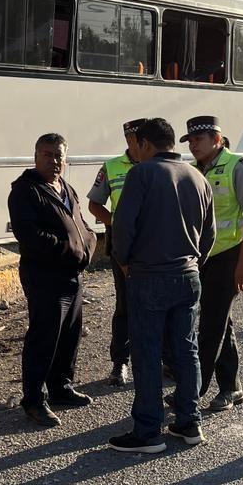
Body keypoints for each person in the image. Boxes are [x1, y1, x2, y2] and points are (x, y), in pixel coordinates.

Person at [108, 118, 215, 453]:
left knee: (148, 353)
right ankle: (189, 422)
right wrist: (194, 263)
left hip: (149, 276)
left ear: (143, 143)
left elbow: (123, 228)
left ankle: (148, 431)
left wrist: (124, 263)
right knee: (187, 351)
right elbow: (210, 235)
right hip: (189, 275)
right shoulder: (198, 176)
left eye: (134, 144)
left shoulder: (141, 174)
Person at [8, 132, 98, 428]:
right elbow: (30, 236)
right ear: (35, 157)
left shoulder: (66, 187)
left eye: (58, 155)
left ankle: (61, 387)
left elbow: (82, 223)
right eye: (47, 155)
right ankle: (34, 400)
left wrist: (89, 243)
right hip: (45, 275)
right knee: (44, 337)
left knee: (70, 333)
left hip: (72, 275)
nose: (54, 161)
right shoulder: (25, 190)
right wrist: (72, 250)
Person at [181, 116, 243, 412]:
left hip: (229, 256)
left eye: (198, 140)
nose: (192, 145)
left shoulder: (238, 167)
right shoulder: (191, 171)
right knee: (222, 322)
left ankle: (193, 390)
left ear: (217, 139)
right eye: (189, 141)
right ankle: (231, 388)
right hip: (202, 257)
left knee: (211, 325)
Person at [86, 118, 147, 386]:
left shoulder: (157, 163)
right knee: (124, 304)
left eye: (139, 139)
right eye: (132, 140)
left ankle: (163, 360)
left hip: (153, 243)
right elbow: (94, 205)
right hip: (123, 244)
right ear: (128, 140)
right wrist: (117, 223)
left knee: (158, 302)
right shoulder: (111, 167)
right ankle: (120, 363)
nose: (135, 144)